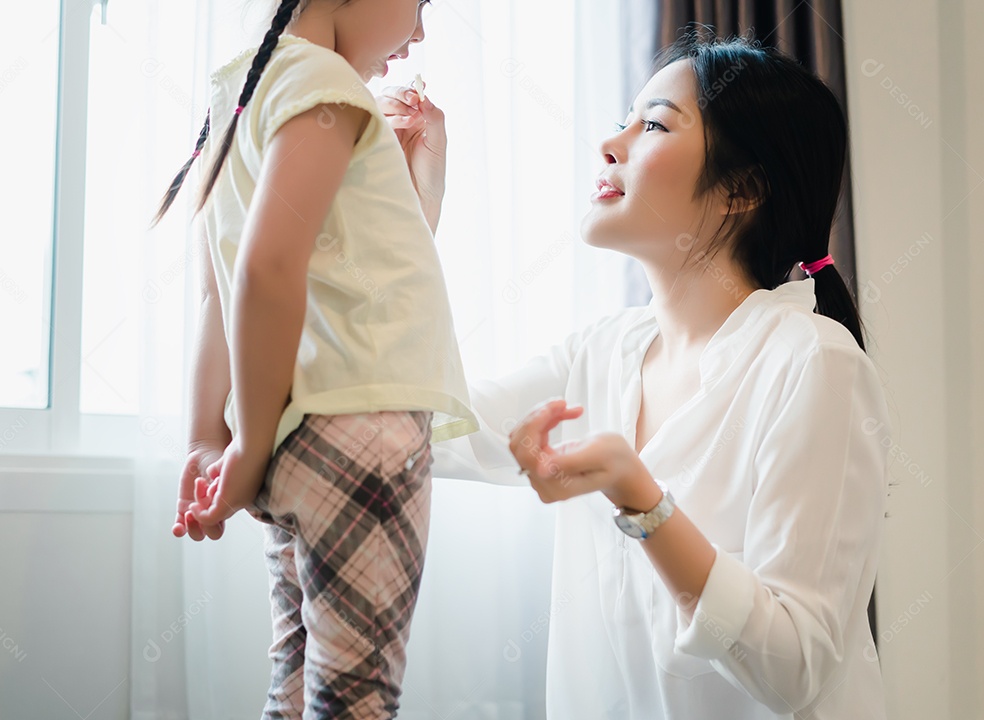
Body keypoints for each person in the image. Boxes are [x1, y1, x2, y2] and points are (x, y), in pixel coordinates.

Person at [414, 36, 890, 718]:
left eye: (656, 124)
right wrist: (413, 215)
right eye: (623, 120)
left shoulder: (814, 363)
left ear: (741, 189)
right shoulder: (600, 354)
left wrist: (640, 498)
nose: (610, 145)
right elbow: (414, 426)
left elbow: (796, 667)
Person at [153, 1, 478, 717]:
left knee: (296, 684)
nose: (421, 32)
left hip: (300, 437)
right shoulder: (325, 85)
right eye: (420, 5)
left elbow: (228, 288)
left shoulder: (241, 90)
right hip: (366, 430)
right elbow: (266, 271)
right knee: (356, 700)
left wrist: (213, 437)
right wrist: (247, 444)